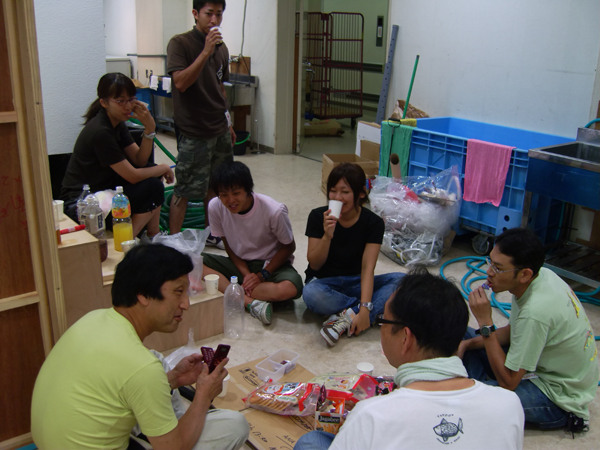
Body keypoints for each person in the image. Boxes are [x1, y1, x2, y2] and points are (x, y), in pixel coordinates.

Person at [31, 244, 249, 450]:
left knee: (155, 361)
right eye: (178, 292)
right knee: (233, 425)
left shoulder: (92, 318)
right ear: (143, 294)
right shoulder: (141, 368)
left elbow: (121, 384)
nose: (186, 304)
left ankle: (164, 426)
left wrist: (173, 379)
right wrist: (203, 395)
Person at [295, 269, 525, 450]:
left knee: (311, 441)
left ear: (406, 338)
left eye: (382, 321)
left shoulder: (371, 415)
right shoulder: (508, 404)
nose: (381, 329)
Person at [459, 228, 599, 431]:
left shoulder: (535, 312)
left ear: (525, 274)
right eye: (490, 262)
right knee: (460, 334)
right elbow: (513, 332)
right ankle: (480, 380)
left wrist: (485, 323)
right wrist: (465, 344)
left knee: (467, 396)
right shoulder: (542, 276)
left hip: (558, 396)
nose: (489, 272)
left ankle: (479, 383)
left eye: (498, 268)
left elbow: (509, 383)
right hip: (537, 364)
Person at [61, 72, 173, 240]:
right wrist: (163, 167)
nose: (128, 106)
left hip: (104, 189)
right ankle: (125, 244)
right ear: (104, 102)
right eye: (120, 101)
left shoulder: (117, 123)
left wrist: (149, 129)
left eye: (131, 99)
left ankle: (153, 235)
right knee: (153, 185)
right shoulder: (101, 132)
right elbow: (133, 176)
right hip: (82, 204)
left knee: (152, 172)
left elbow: (140, 161)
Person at [303, 162, 404, 346]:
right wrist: (327, 235)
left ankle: (348, 316)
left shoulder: (373, 223)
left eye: (345, 192)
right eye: (333, 191)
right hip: (324, 283)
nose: (337, 197)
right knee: (311, 293)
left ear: (361, 193)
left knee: (403, 280)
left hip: (356, 281)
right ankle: (368, 310)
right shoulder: (318, 217)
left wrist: (364, 308)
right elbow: (315, 264)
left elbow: (367, 268)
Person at [167, 0, 236, 243]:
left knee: (217, 187)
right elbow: (180, 83)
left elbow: (220, 88)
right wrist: (205, 51)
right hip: (194, 131)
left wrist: (228, 122)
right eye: (209, 14)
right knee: (184, 190)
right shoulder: (180, 43)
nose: (214, 20)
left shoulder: (222, 48)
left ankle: (213, 234)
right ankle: (174, 241)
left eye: (219, 14)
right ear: (196, 14)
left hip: (219, 128)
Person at [202, 161, 303, 325]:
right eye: (224, 195)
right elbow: (228, 245)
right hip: (239, 263)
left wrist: (262, 275)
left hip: (270, 265)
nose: (230, 200)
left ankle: (231, 289)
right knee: (192, 261)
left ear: (248, 189)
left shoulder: (274, 210)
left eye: (236, 193)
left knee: (292, 287)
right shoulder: (215, 206)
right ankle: (251, 303)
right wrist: (246, 274)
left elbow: (289, 246)